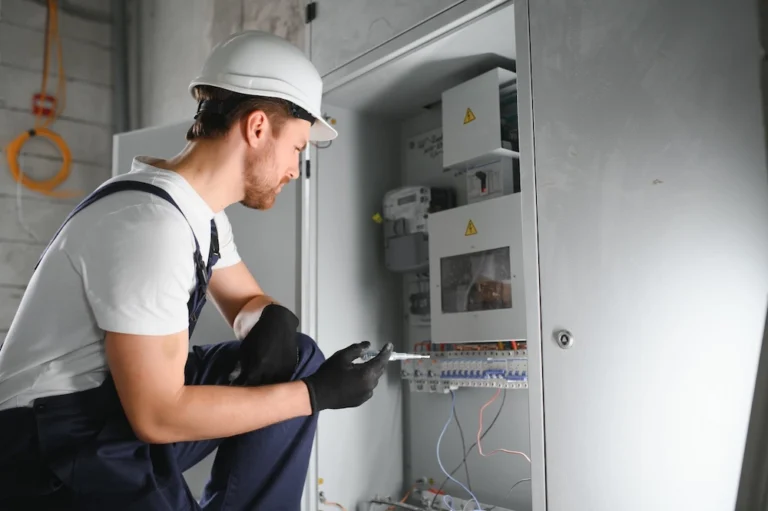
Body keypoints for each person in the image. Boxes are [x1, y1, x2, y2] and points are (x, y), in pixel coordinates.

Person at [0, 30, 392, 510]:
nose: (295, 169)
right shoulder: (149, 225)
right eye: (296, 148)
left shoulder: (196, 215)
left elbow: (246, 301)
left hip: (111, 409)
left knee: (298, 354)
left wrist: (266, 320)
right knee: (302, 382)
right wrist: (314, 395)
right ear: (256, 128)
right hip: (51, 446)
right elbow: (157, 416)